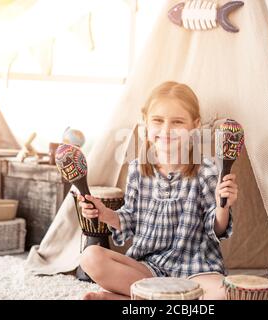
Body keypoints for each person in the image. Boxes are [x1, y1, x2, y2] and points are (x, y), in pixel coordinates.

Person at [78, 81, 238, 300]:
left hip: (196, 270)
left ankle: (135, 299)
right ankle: (168, 299)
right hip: (148, 268)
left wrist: (223, 205)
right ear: (145, 123)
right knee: (90, 257)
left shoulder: (208, 170)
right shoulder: (137, 169)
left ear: (195, 125)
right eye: (158, 121)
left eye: (177, 122)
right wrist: (104, 214)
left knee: (224, 294)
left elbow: (217, 229)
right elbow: (130, 219)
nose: (166, 130)